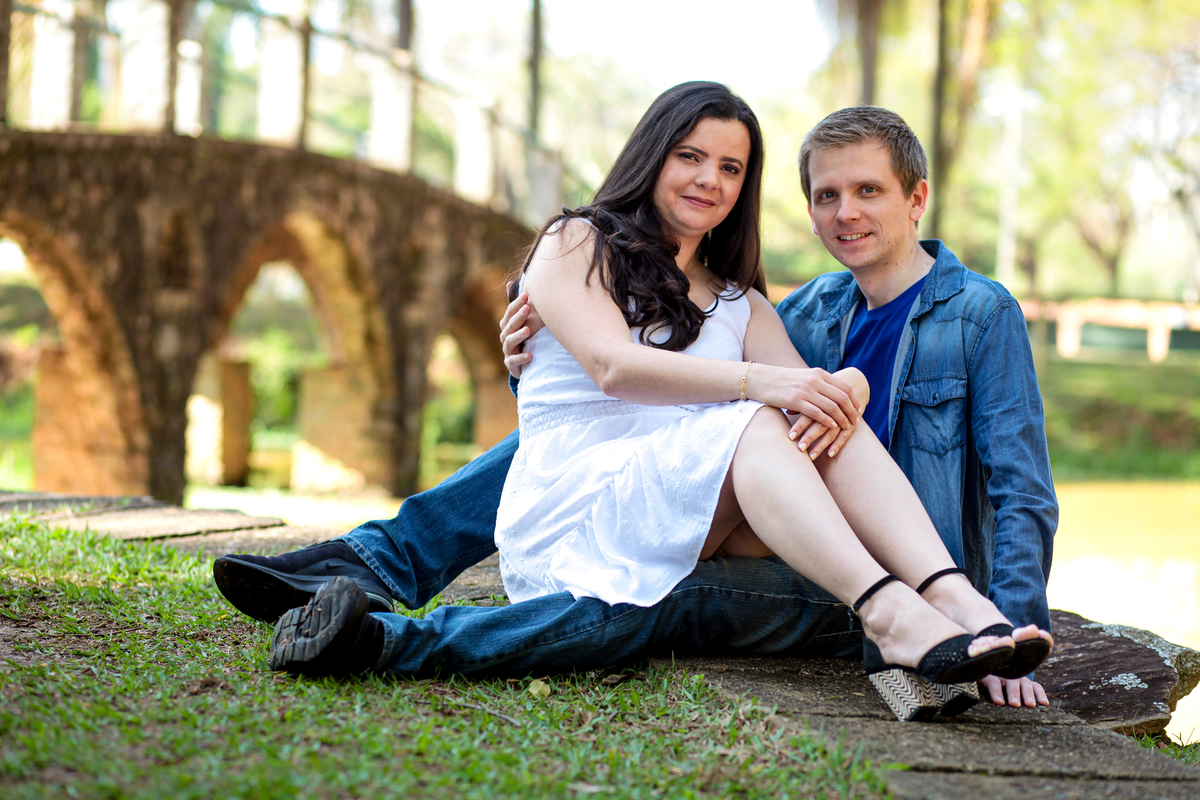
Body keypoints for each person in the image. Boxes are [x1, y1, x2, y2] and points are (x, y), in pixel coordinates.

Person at [215, 92, 1055, 713]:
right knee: (723, 467)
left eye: (731, 168)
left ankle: (947, 600)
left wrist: (1011, 621)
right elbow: (617, 380)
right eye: (827, 196)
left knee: (777, 436)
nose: (845, 213)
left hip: (788, 532)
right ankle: (384, 582)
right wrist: (535, 366)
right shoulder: (764, 293)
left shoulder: (951, 314)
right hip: (636, 507)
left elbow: (1016, 487)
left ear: (915, 199)